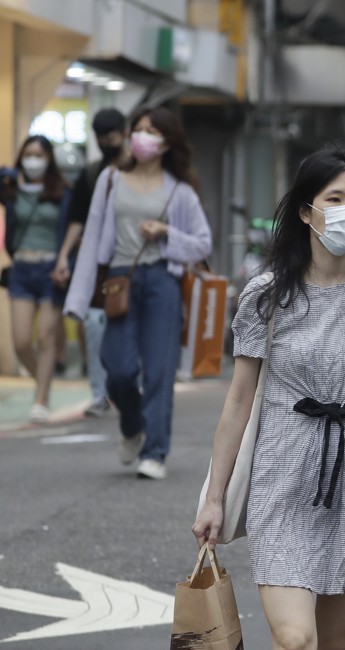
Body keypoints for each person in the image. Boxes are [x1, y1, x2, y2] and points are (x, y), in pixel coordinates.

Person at [193, 142, 345, 650]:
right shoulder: (267, 296)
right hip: (281, 477)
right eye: (335, 197)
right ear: (304, 211)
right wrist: (214, 498)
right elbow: (239, 400)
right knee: (295, 643)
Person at [63, 106, 211, 479]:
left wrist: (167, 234)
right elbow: (93, 236)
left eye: (152, 131)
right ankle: (132, 424)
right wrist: (78, 301)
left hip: (163, 281)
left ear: (167, 142)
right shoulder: (111, 179)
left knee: (159, 370)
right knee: (118, 369)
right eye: (139, 129)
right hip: (119, 279)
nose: (142, 136)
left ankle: (155, 452)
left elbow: (203, 244)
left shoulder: (179, 190)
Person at [52, 108, 127, 417]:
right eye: (100, 138)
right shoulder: (92, 172)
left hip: (132, 263)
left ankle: (129, 390)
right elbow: (77, 220)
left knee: (127, 329)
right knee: (94, 326)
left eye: (110, 136)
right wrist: (63, 257)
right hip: (100, 267)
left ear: (124, 132)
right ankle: (100, 393)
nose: (105, 142)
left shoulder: (140, 168)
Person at [1, 135, 72, 422]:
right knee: (20, 341)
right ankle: (43, 382)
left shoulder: (62, 191)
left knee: (45, 336)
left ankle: (40, 399)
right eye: (28, 154)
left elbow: (71, 226)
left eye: (39, 155)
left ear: (49, 159)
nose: (33, 160)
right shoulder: (12, 190)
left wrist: (65, 260)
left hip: (50, 269)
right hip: (21, 268)